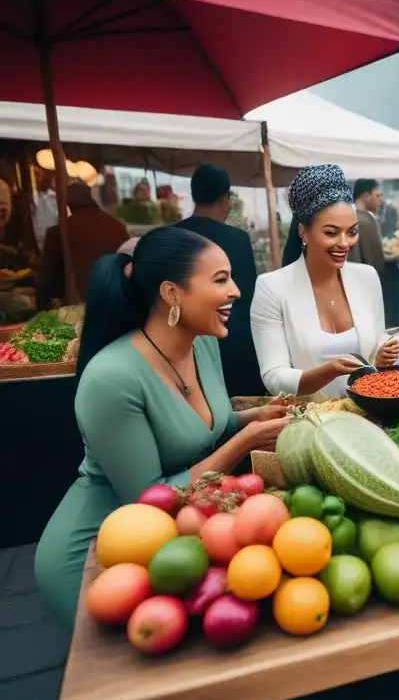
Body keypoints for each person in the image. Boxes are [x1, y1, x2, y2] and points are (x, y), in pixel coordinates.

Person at [34, 227, 292, 628]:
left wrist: (252, 418)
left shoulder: (202, 342)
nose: (237, 291)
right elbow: (147, 496)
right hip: (100, 547)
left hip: (173, 535)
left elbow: (205, 425)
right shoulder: (112, 377)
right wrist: (244, 442)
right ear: (172, 294)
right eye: (221, 279)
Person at [250, 165, 399, 400]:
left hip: (369, 412)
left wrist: (382, 354)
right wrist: (327, 371)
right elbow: (274, 376)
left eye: (352, 232)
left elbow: (376, 342)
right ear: (303, 232)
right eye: (331, 233)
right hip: (311, 422)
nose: (345, 243)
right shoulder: (272, 288)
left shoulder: (367, 277)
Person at [175, 164, 263, 396]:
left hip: (183, 345)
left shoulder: (173, 237)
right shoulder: (237, 239)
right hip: (232, 347)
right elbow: (246, 300)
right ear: (225, 199)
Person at [36, 180, 130, 309]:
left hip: (81, 310)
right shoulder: (117, 226)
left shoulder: (59, 232)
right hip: (121, 303)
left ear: (68, 204)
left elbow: (45, 282)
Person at [349, 178, 399, 327]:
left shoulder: (364, 217)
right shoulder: (360, 219)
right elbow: (364, 257)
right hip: (367, 287)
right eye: (377, 196)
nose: (381, 201)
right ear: (365, 195)